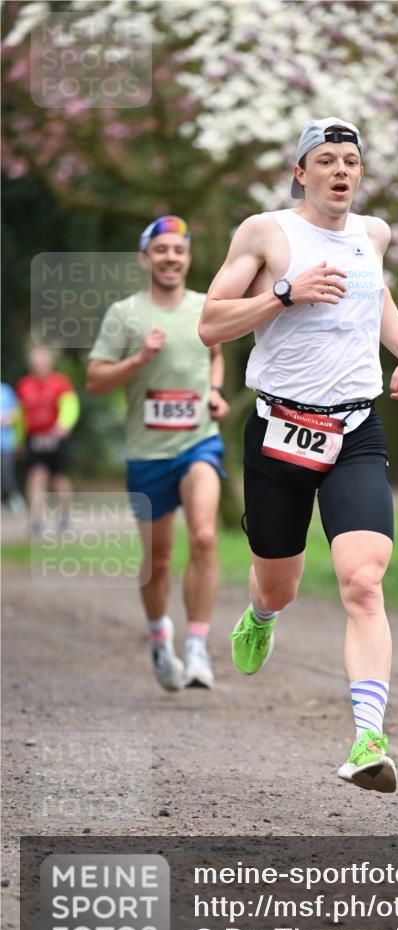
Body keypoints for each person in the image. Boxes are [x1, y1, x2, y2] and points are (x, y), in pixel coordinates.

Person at [199, 118, 398, 793]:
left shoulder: (372, 235)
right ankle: (261, 616)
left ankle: (367, 739)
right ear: (300, 172)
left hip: (355, 429)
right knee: (280, 584)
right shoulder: (266, 233)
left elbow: (374, 291)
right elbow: (209, 320)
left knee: (362, 580)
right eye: (324, 159)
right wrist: (280, 294)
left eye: (350, 160)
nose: (339, 171)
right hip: (279, 430)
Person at [87, 215, 230, 693]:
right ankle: (158, 637)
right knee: (159, 560)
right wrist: (138, 360)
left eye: (179, 250)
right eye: (162, 249)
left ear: (188, 258)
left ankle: (197, 647)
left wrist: (214, 391)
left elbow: (214, 352)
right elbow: (94, 379)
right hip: (147, 454)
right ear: (144, 258)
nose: (171, 257)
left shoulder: (205, 306)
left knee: (206, 535)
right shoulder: (125, 313)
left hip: (199, 441)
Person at [16, 347, 79, 536]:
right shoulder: (24, 385)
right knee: (36, 475)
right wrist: (19, 439)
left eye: (42, 363)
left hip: (55, 437)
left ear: (49, 363)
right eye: (35, 363)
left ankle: (65, 517)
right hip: (34, 437)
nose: (38, 366)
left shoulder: (60, 383)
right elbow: (21, 415)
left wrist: (63, 426)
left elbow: (70, 406)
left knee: (59, 478)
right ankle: (35, 520)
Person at [0, 381, 25, 513]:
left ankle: (16, 503)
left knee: (7, 474)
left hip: (6, 443)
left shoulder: (6, 390)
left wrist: (7, 419)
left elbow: (17, 412)